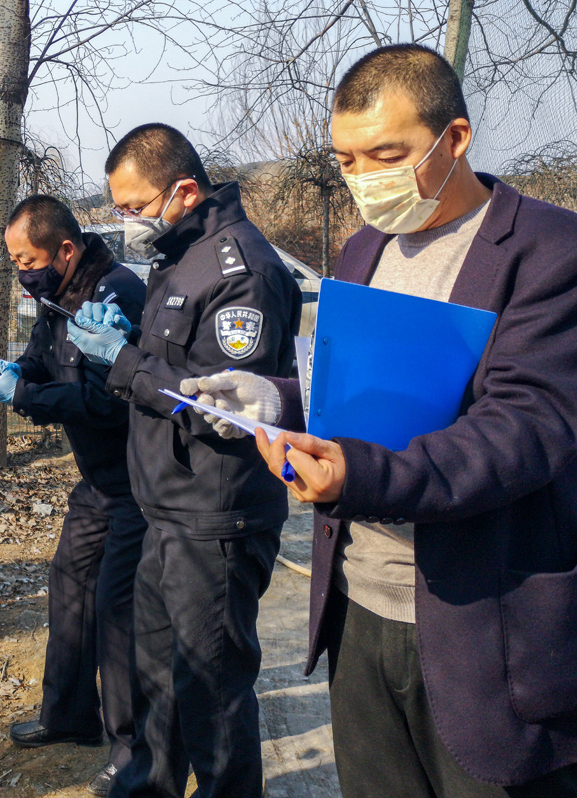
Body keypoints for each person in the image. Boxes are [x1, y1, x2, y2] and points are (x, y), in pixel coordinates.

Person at [189, 44, 577, 797]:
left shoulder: (550, 251)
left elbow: (525, 430)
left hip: (488, 628)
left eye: (387, 154)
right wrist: (275, 400)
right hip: (359, 612)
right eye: (348, 161)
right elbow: (358, 389)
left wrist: (358, 474)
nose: (366, 180)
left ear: (455, 138)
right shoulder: (365, 248)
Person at [66, 124, 301, 798]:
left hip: (214, 519)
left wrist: (127, 362)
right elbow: (173, 366)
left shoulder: (240, 269)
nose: (125, 224)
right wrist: (125, 350)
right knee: (157, 678)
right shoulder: (181, 255)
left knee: (213, 696)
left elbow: (225, 410)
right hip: (166, 509)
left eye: (134, 207)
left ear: (184, 191)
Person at [0, 195, 149, 796]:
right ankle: (69, 716)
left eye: (28, 259)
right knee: (70, 584)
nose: (22, 272)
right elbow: (40, 362)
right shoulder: (54, 297)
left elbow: (106, 402)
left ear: (66, 250)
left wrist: (25, 400)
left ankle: (133, 753)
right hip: (98, 481)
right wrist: (16, 374)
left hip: (137, 481)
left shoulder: (115, 295)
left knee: (116, 610)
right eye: (15, 262)